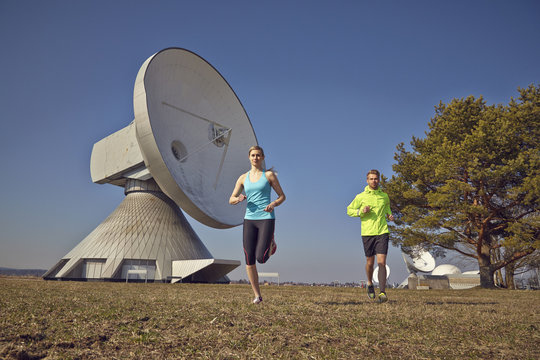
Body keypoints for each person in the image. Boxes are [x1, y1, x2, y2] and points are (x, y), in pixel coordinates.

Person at [229, 146, 286, 304]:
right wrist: (238, 199)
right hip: (249, 219)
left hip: (266, 218)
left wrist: (273, 204)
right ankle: (257, 296)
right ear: (249, 157)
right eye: (253, 155)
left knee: (261, 257)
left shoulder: (269, 176)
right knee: (249, 258)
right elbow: (231, 199)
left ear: (262, 158)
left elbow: (282, 196)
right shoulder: (242, 178)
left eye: (258, 155)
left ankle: (271, 244)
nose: (255, 158)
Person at [347, 169, 394, 303]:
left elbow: (387, 210)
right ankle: (369, 283)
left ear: (379, 180)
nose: (374, 181)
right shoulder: (360, 197)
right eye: (371, 179)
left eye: (376, 178)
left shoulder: (384, 196)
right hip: (367, 232)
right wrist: (361, 211)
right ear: (367, 181)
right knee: (370, 263)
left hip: (382, 231)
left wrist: (389, 216)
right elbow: (349, 210)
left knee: (382, 263)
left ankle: (383, 292)